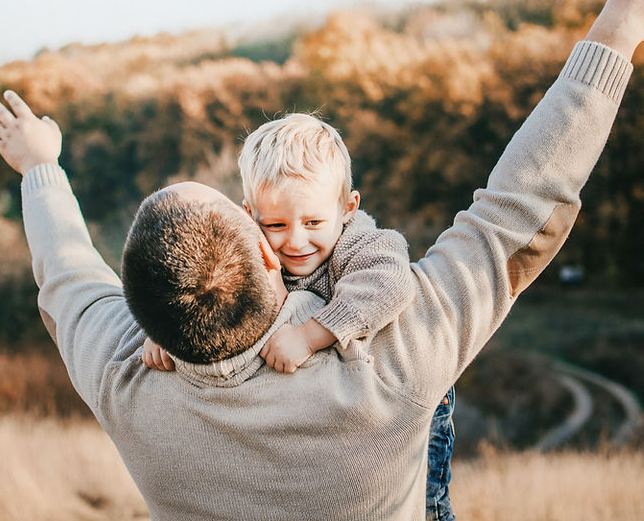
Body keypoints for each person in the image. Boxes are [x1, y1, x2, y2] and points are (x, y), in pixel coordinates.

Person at [0, 0, 644, 520]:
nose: (294, 237)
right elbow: (519, 213)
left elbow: (65, 274)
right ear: (261, 246)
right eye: (267, 222)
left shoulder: (124, 375)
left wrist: (41, 168)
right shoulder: (393, 358)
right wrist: (614, 37)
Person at [142, 112, 458, 519]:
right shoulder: (254, 248)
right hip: (332, 416)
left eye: (313, 222)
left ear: (348, 207)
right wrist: (165, 331)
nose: (295, 240)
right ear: (249, 214)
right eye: (276, 224)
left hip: (410, 400)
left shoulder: (362, 244)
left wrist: (311, 334)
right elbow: (206, 289)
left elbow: (391, 284)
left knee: (428, 505)